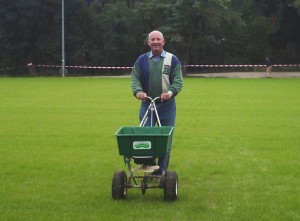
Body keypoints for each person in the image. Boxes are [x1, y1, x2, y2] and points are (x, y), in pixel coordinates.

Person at [131, 30, 183, 175]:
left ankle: (161, 172)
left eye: (158, 39)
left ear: (163, 41)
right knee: (145, 136)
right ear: (148, 42)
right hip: (147, 104)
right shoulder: (141, 60)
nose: (155, 42)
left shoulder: (172, 59)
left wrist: (170, 93)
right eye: (152, 39)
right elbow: (135, 79)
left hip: (166, 105)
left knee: (164, 140)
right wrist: (138, 92)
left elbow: (178, 81)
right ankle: (148, 167)